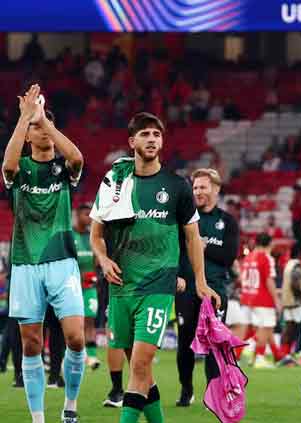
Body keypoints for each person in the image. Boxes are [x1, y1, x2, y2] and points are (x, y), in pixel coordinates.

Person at [89, 112, 221, 423]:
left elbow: (192, 237)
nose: (152, 139)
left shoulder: (176, 186)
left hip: (159, 285)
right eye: (145, 134)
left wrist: (200, 280)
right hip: (121, 286)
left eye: (156, 135)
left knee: (139, 363)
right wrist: (104, 259)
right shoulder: (114, 183)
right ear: (132, 141)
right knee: (142, 371)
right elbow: (96, 234)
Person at [3, 85, 86, 423]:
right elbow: (7, 165)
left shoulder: (64, 170)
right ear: (26, 135)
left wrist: (44, 120)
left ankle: (71, 406)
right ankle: (38, 418)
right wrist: (25, 118)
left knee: (76, 338)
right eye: (36, 128)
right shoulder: (19, 168)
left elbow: (77, 157)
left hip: (62, 261)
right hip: (25, 263)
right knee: (32, 344)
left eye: (46, 126)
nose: (42, 130)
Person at [175, 168, 240, 406]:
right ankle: (186, 389)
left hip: (215, 291)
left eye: (203, 187)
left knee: (215, 344)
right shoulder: (185, 218)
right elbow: (176, 250)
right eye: (195, 188)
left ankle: (212, 393)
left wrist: (203, 247)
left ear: (216, 189)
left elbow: (229, 256)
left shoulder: (227, 221)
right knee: (185, 343)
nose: (198, 192)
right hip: (187, 289)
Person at [242, 233, 280, 368]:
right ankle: (256, 353)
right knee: (267, 327)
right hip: (263, 298)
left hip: (248, 297)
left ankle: (256, 356)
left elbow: (242, 279)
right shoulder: (266, 257)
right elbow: (269, 280)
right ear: (269, 244)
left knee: (259, 327)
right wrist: (276, 299)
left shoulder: (248, 257)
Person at [72, 202, 101, 370]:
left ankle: (91, 357)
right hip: (73, 288)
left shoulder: (93, 237)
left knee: (90, 320)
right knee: (76, 323)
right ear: (77, 215)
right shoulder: (70, 236)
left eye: (90, 214)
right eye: (85, 214)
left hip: (90, 288)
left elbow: (97, 261)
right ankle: (77, 356)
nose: (89, 217)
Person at [278, 246, 301, 366]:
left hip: (287, 302)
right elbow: (296, 284)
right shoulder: (297, 266)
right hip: (296, 303)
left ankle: (285, 355)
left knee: (289, 331)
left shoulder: (288, 265)